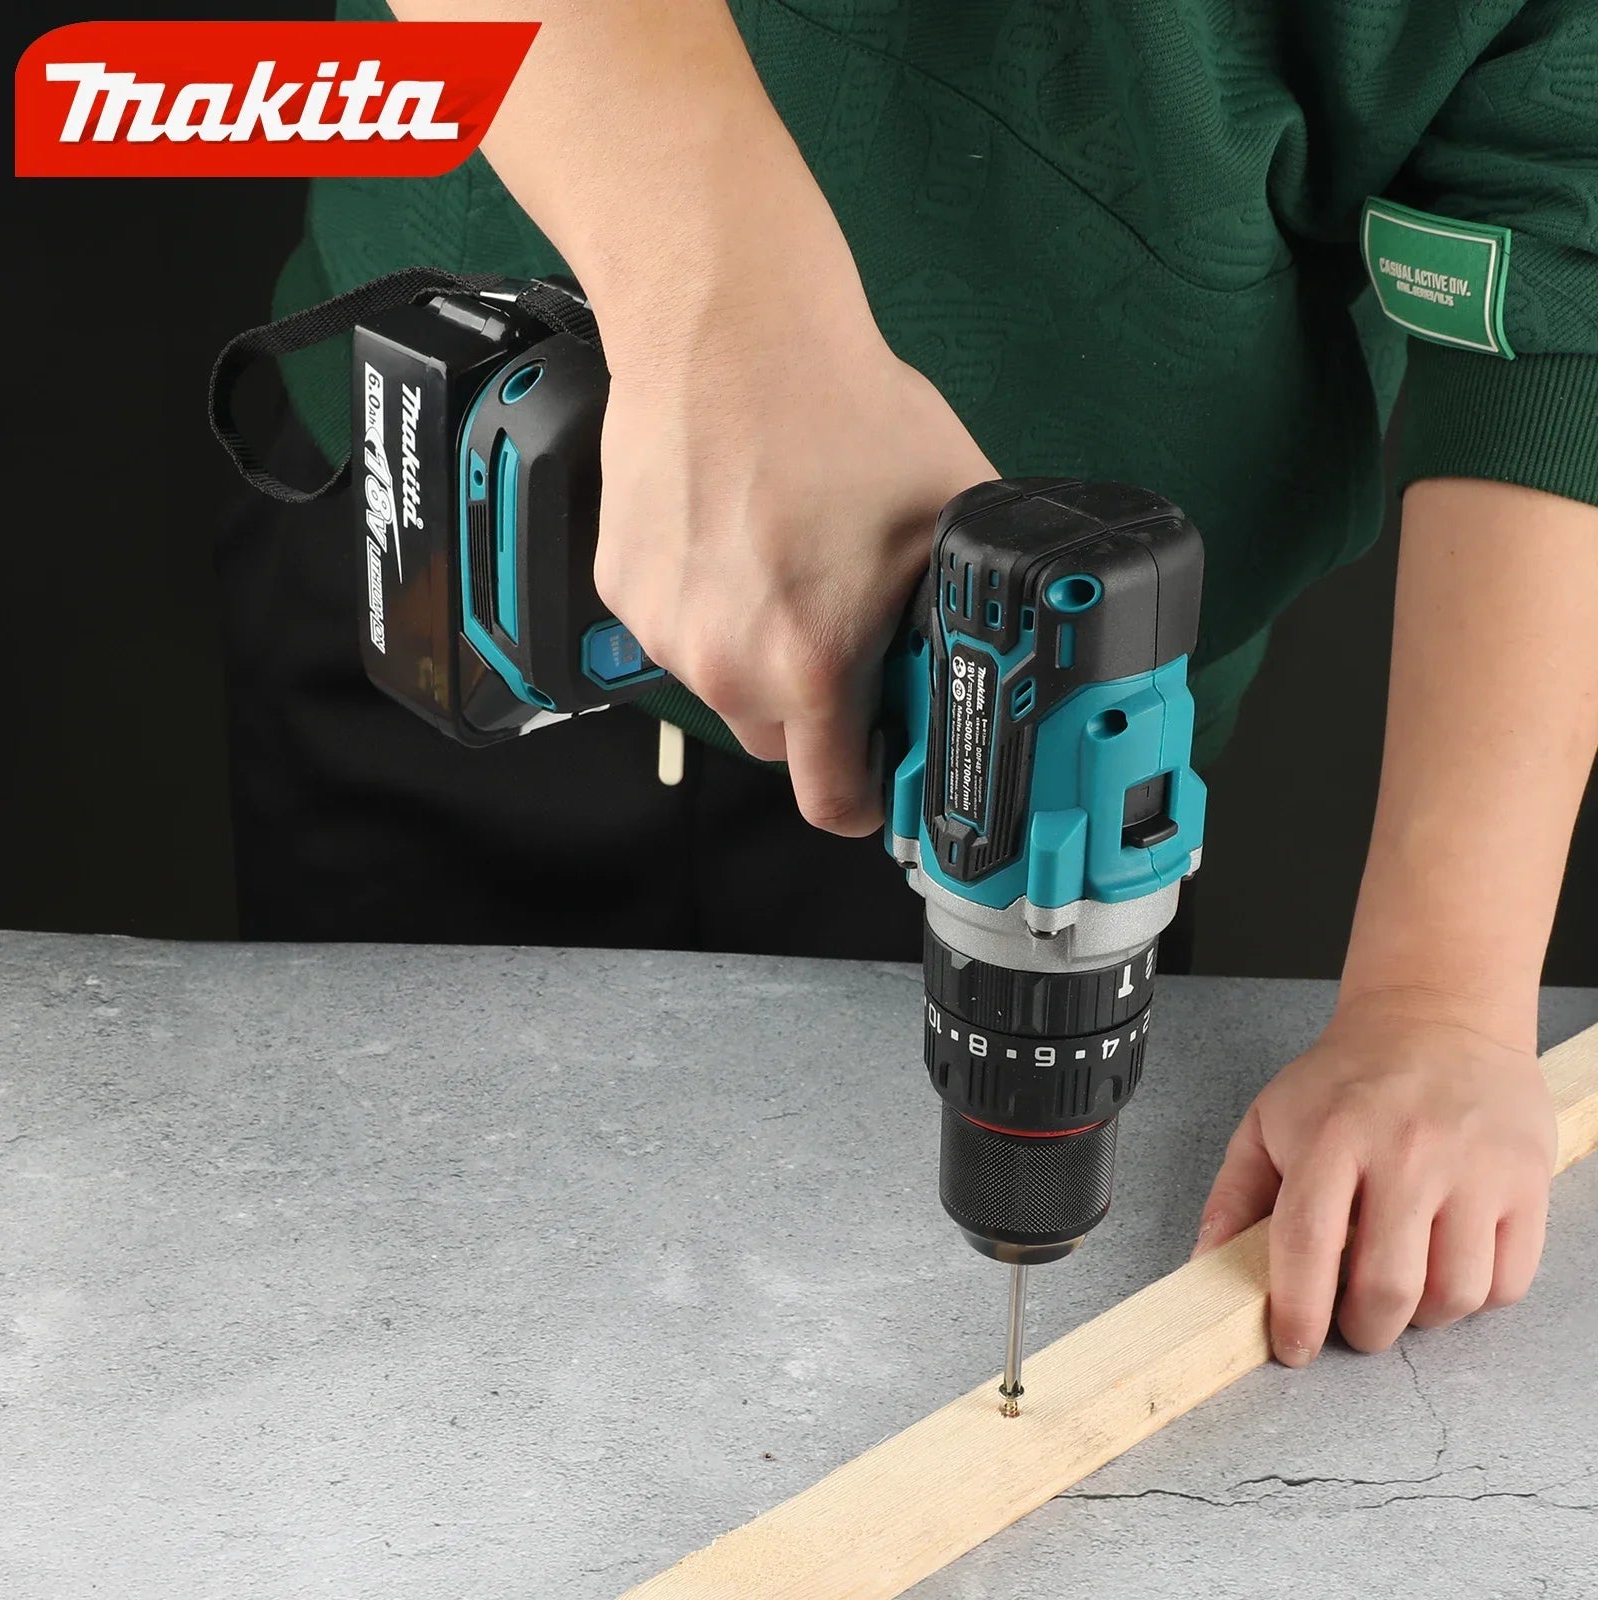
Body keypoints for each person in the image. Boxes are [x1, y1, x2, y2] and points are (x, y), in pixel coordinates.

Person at [219, 0, 1598, 1370]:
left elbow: (1567, 259)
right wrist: (725, 305)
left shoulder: (1058, 804)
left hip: (993, 740)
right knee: (386, 1295)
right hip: (457, 542)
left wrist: (1440, 1004)